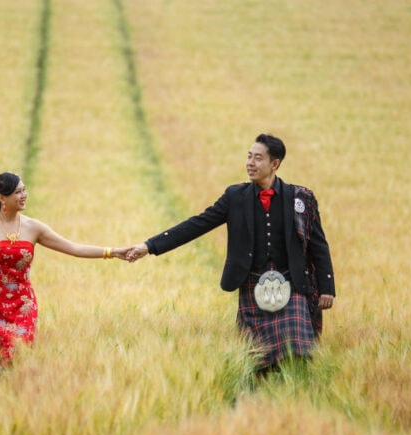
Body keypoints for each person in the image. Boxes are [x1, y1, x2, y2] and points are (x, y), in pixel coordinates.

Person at [126, 134, 335, 374]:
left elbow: (319, 245)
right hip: (252, 282)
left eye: (258, 158)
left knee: (299, 349)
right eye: (248, 156)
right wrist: (149, 246)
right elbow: (197, 224)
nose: (250, 163)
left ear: (274, 164)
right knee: (257, 360)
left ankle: (296, 395)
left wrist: (327, 287)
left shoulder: (301, 198)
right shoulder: (235, 197)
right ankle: (262, 398)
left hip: (292, 282)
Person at [0, 171, 130, 362]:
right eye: (18, 192)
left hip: (23, 305)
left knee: (19, 355)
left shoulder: (34, 228)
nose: (24, 195)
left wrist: (112, 252)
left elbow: (74, 248)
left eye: (24, 190)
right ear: (2, 198)